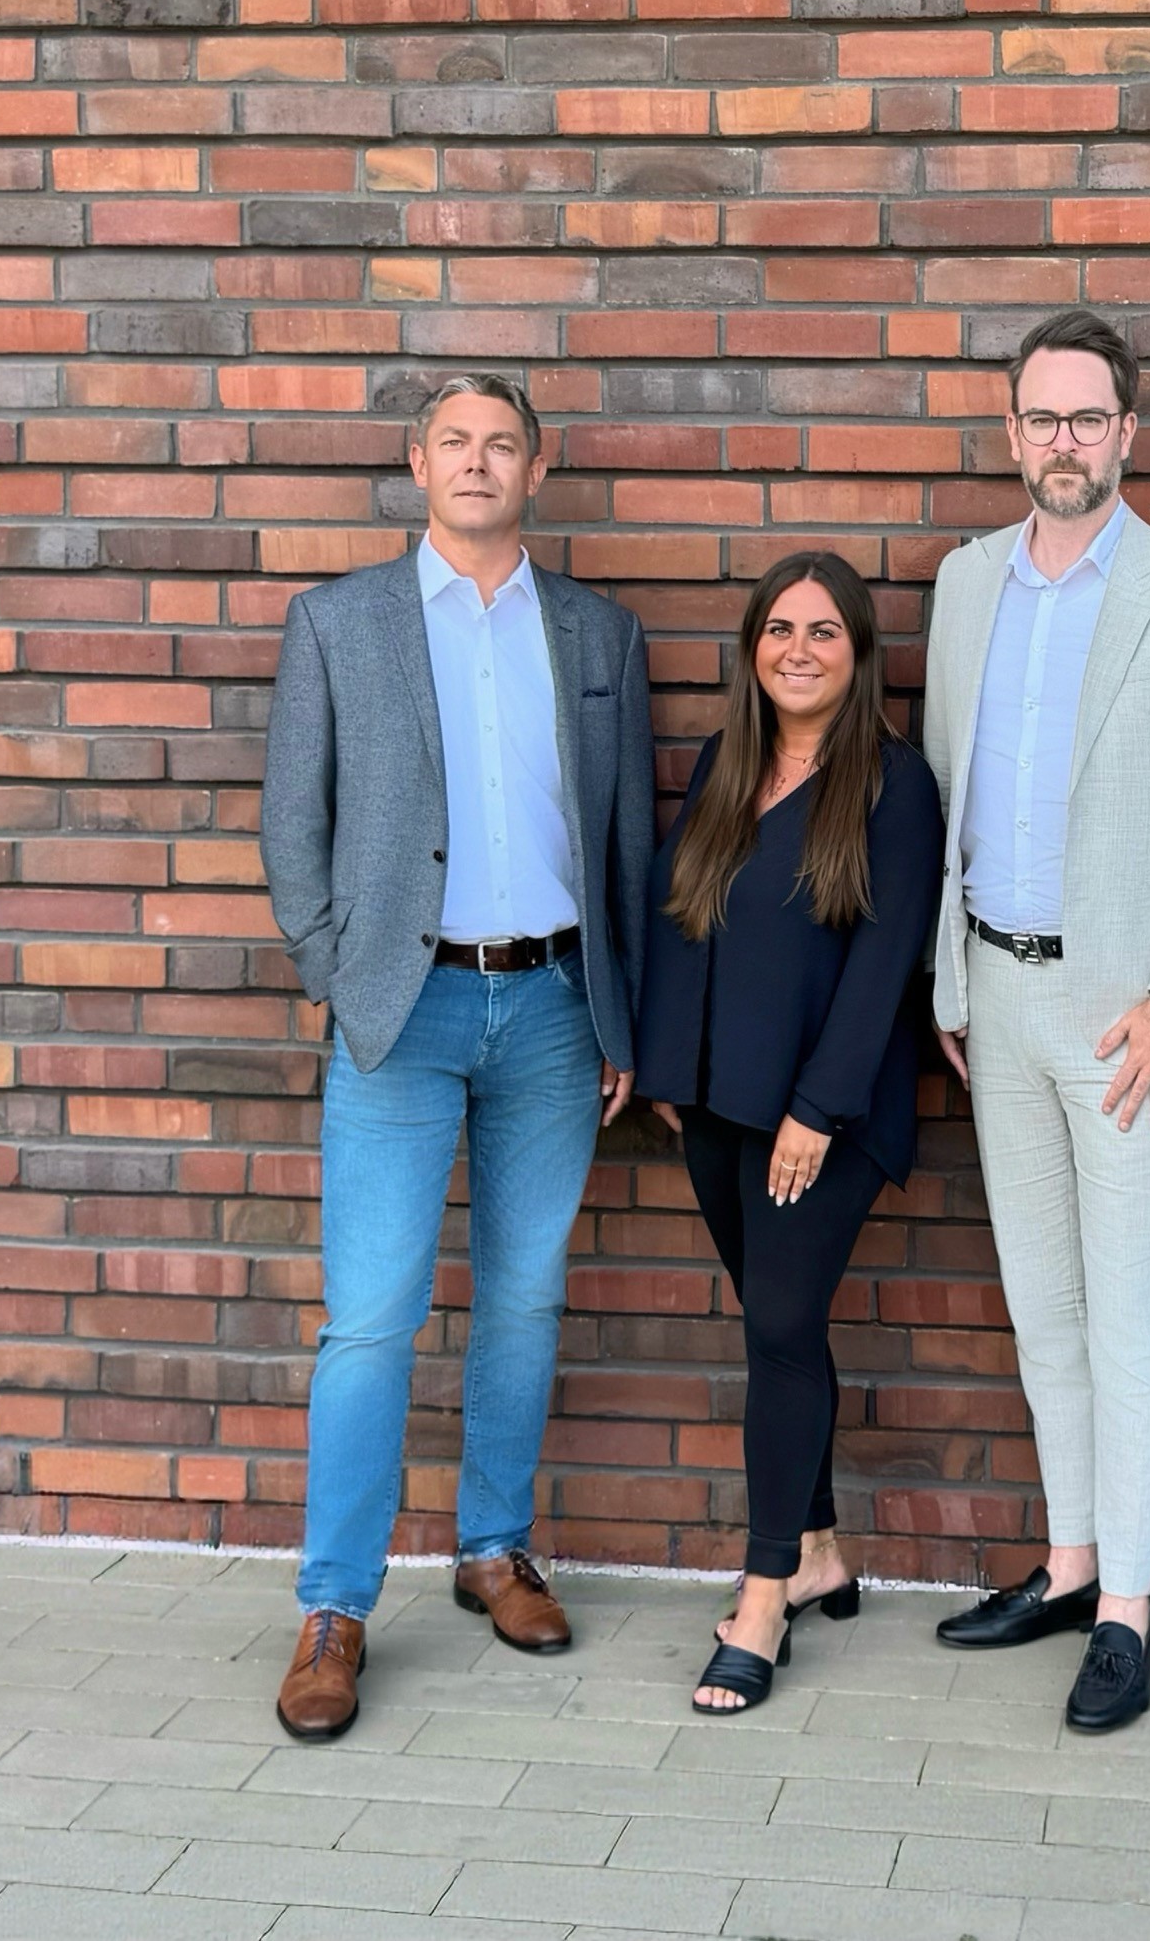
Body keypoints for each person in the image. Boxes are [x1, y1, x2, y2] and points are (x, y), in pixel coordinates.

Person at [258, 372, 653, 1741]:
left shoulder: (598, 632)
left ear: (537, 470)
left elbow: (625, 840)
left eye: (502, 444)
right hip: (401, 1015)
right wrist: (341, 975)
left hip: (553, 1010)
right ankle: (333, 1607)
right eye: (454, 442)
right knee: (372, 1316)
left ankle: (494, 1548)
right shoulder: (338, 623)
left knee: (526, 1298)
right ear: (417, 463)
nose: (478, 462)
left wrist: (619, 1015)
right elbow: (292, 827)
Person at [919, 309, 1150, 1733]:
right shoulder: (965, 584)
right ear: (1012, 434)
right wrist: (948, 978)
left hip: (1128, 1018)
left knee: (1130, 1318)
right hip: (995, 999)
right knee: (1043, 1304)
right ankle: (1068, 1565)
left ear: (1127, 432)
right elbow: (944, 789)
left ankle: (1127, 1605)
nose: (1063, 442)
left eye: (1087, 418)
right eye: (1041, 418)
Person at [635, 553, 943, 1717]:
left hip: (825, 1114)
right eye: (778, 629)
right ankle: (819, 1551)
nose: (798, 650)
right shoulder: (730, 758)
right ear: (751, 647)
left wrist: (817, 1111)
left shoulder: (894, 785)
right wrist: (672, 1070)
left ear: (859, 653)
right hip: (716, 1103)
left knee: (776, 1328)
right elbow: (683, 912)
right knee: (783, 1329)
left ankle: (763, 1599)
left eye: (823, 631)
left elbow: (884, 964)